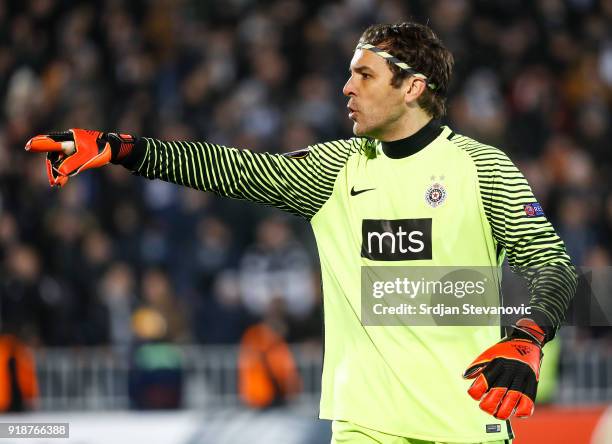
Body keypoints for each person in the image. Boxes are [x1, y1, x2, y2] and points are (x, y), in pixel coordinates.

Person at [25, 22, 576, 444]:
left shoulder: (481, 167)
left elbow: (552, 263)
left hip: (464, 421)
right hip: (365, 423)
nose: (346, 87)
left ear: (413, 88)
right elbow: (231, 169)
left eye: (364, 75)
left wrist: (527, 338)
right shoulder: (335, 168)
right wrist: (126, 149)